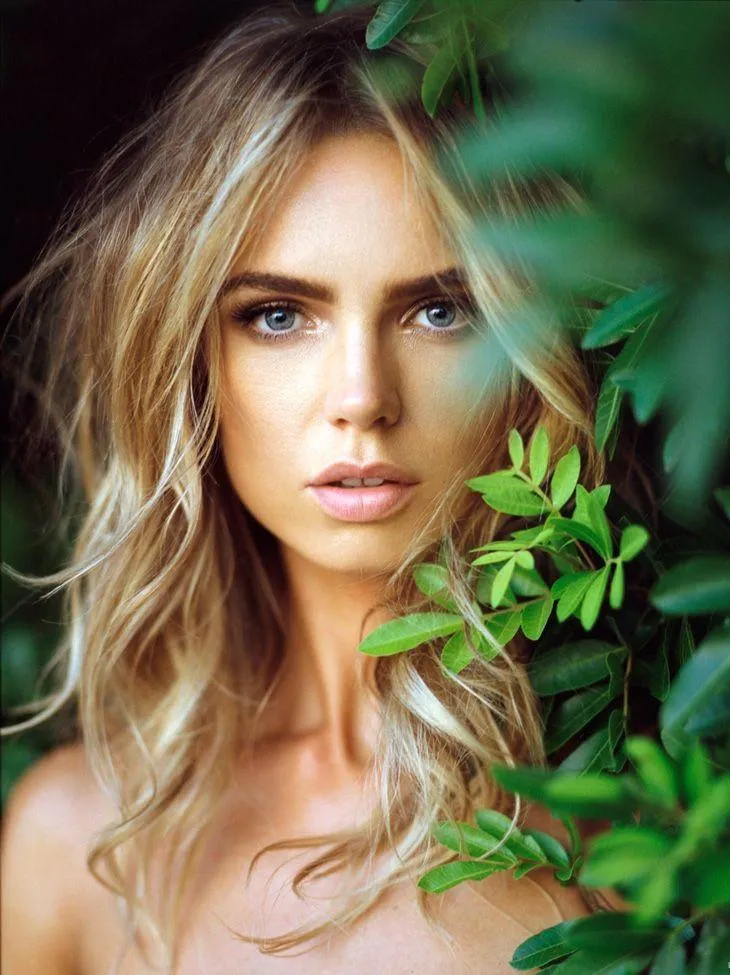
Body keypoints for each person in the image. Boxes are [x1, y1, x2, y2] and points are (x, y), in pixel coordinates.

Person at [1, 5, 624, 973]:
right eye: (279, 315)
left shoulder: (647, 848)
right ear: (189, 359)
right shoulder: (74, 845)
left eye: (439, 309)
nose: (361, 400)